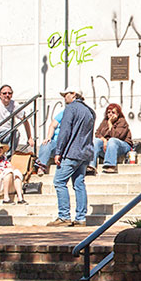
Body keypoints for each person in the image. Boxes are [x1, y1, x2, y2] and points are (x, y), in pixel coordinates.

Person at [48, 89, 96, 226]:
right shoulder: (90, 111)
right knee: (79, 184)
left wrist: (58, 151)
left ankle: (64, 216)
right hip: (85, 152)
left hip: (71, 152)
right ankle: (81, 218)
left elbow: (64, 131)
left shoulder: (71, 108)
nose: (64, 98)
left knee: (59, 181)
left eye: (66, 95)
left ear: (74, 94)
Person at [0, 83, 33, 154]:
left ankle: (8, 157)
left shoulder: (14, 104)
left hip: (8, 133)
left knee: (16, 133)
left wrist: (30, 138)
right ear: (0, 95)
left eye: (9, 93)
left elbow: (25, 120)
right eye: (4, 93)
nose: (7, 95)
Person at [92, 102, 134, 173]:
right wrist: (104, 140)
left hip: (122, 146)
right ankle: (91, 165)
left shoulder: (122, 122)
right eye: (108, 112)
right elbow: (97, 133)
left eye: (113, 112)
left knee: (112, 140)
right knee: (96, 141)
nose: (110, 114)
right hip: (108, 146)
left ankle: (110, 165)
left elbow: (117, 136)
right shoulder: (104, 122)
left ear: (118, 114)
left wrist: (110, 124)